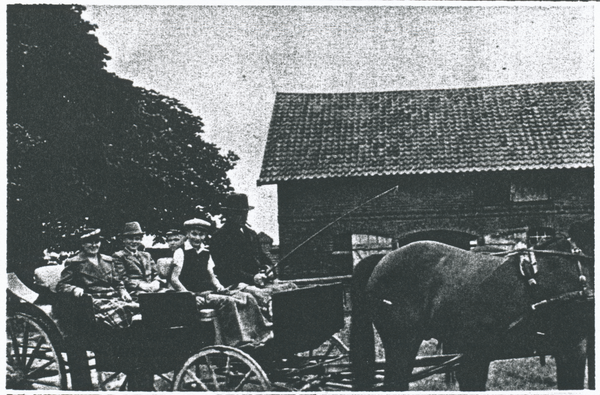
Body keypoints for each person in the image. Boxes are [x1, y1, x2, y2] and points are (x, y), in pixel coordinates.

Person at [172, 218, 272, 347]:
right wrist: (189, 296)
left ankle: (260, 335)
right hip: (196, 294)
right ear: (187, 234)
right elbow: (174, 279)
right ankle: (235, 341)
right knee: (227, 302)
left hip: (209, 291)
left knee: (247, 297)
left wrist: (219, 287)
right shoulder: (181, 252)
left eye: (201, 234)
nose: (197, 238)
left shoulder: (205, 252)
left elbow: (212, 275)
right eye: (194, 234)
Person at [211, 193, 296, 308]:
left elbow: (262, 257)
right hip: (236, 285)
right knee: (266, 297)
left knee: (291, 288)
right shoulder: (220, 237)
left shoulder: (251, 234)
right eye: (238, 213)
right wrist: (252, 278)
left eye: (245, 213)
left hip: (260, 283)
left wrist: (268, 268)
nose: (243, 217)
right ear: (228, 214)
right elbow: (226, 270)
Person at [56, 228, 139, 329]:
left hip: (112, 296)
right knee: (121, 310)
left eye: (97, 242)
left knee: (136, 308)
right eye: (90, 242)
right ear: (83, 244)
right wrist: (74, 289)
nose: (94, 245)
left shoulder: (108, 260)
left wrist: (123, 291)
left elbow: (117, 282)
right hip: (91, 300)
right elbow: (61, 285)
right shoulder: (74, 262)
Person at [113, 222, 161, 297]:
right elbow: (121, 278)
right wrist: (139, 285)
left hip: (152, 288)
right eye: (130, 238)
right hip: (134, 291)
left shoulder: (146, 255)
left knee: (172, 294)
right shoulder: (119, 256)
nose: (134, 242)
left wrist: (157, 282)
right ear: (124, 240)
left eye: (137, 239)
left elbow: (156, 273)